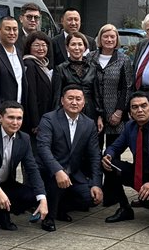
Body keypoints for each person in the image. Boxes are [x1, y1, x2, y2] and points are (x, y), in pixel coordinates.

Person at [0, 101, 49, 241]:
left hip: (6, 182)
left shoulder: (24, 138)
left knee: (32, 196)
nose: (15, 122)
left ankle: (0, 213)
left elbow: (32, 169)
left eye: (19, 118)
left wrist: (42, 198)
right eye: (11, 117)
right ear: (0, 118)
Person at [101, 93, 149, 224]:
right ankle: (125, 209)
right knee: (107, 163)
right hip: (138, 174)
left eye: (144, 106)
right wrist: (108, 155)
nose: (140, 110)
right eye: (135, 107)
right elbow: (114, 147)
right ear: (130, 112)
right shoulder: (130, 127)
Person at [36, 87, 104, 231]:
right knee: (56, 182)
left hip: (73, 172)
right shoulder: (49, 119)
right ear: (62, 101)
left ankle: (61, 207)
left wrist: (96, 183)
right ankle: (49, 217)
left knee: (92, 198)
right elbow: (43, 148)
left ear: (84, 102)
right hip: (50, 171)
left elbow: (94, 155)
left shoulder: (88, 123)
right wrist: (57, 170)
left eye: (78, 99)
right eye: (70, 98)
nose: (74, 102)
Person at [93, 24, 130, 146]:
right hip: (94, 112)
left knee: (112, 152)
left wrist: (119, 112)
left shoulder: (124, 59)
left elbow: (127, 87)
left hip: (115, 113)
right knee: (93, 150)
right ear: (100, 38)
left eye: (112, 37)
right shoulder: (90, 58)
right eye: (106, 37)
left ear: (116, 39)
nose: (109, 40)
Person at [52, 31, 100, 125]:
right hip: (67, 111)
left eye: (80, 44)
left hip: (89, 111)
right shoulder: (60, 69)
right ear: (67, 48)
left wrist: (99, 115)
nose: (77, 48)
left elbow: (97, 94)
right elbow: (57, 96)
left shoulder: (93, 68)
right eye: (73, 44)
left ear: (85, 47)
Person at [21, 30, 53, 136]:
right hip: (36, 120)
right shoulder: (29, 64)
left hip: (45, 114)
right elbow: (31, 94)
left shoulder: (43, 65)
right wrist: (35, 122)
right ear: (29, 47)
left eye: (44, 45)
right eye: (36, 45)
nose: (41, 49)